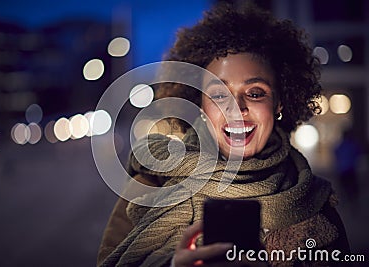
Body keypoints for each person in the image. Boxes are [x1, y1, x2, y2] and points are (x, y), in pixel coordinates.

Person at [97, 2, 350, 266]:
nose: (236, 108)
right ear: (201, 106)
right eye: (219, 94)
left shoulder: (314, 200)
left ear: (279, 104)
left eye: (255, 93)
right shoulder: (150, 184)